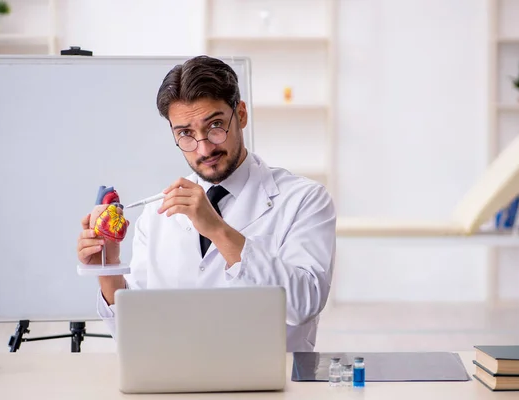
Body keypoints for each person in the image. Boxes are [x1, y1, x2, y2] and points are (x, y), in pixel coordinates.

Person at [76, 55, 336, 352]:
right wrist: (107, 267)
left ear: (240, 115)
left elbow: (305, 304)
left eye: (214, 126)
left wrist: (217, 230)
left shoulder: (304, 200)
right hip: (177, 384)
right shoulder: (157, 213)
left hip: (270, 387)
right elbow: (136, 335)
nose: (203, 147)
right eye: (186, 133)